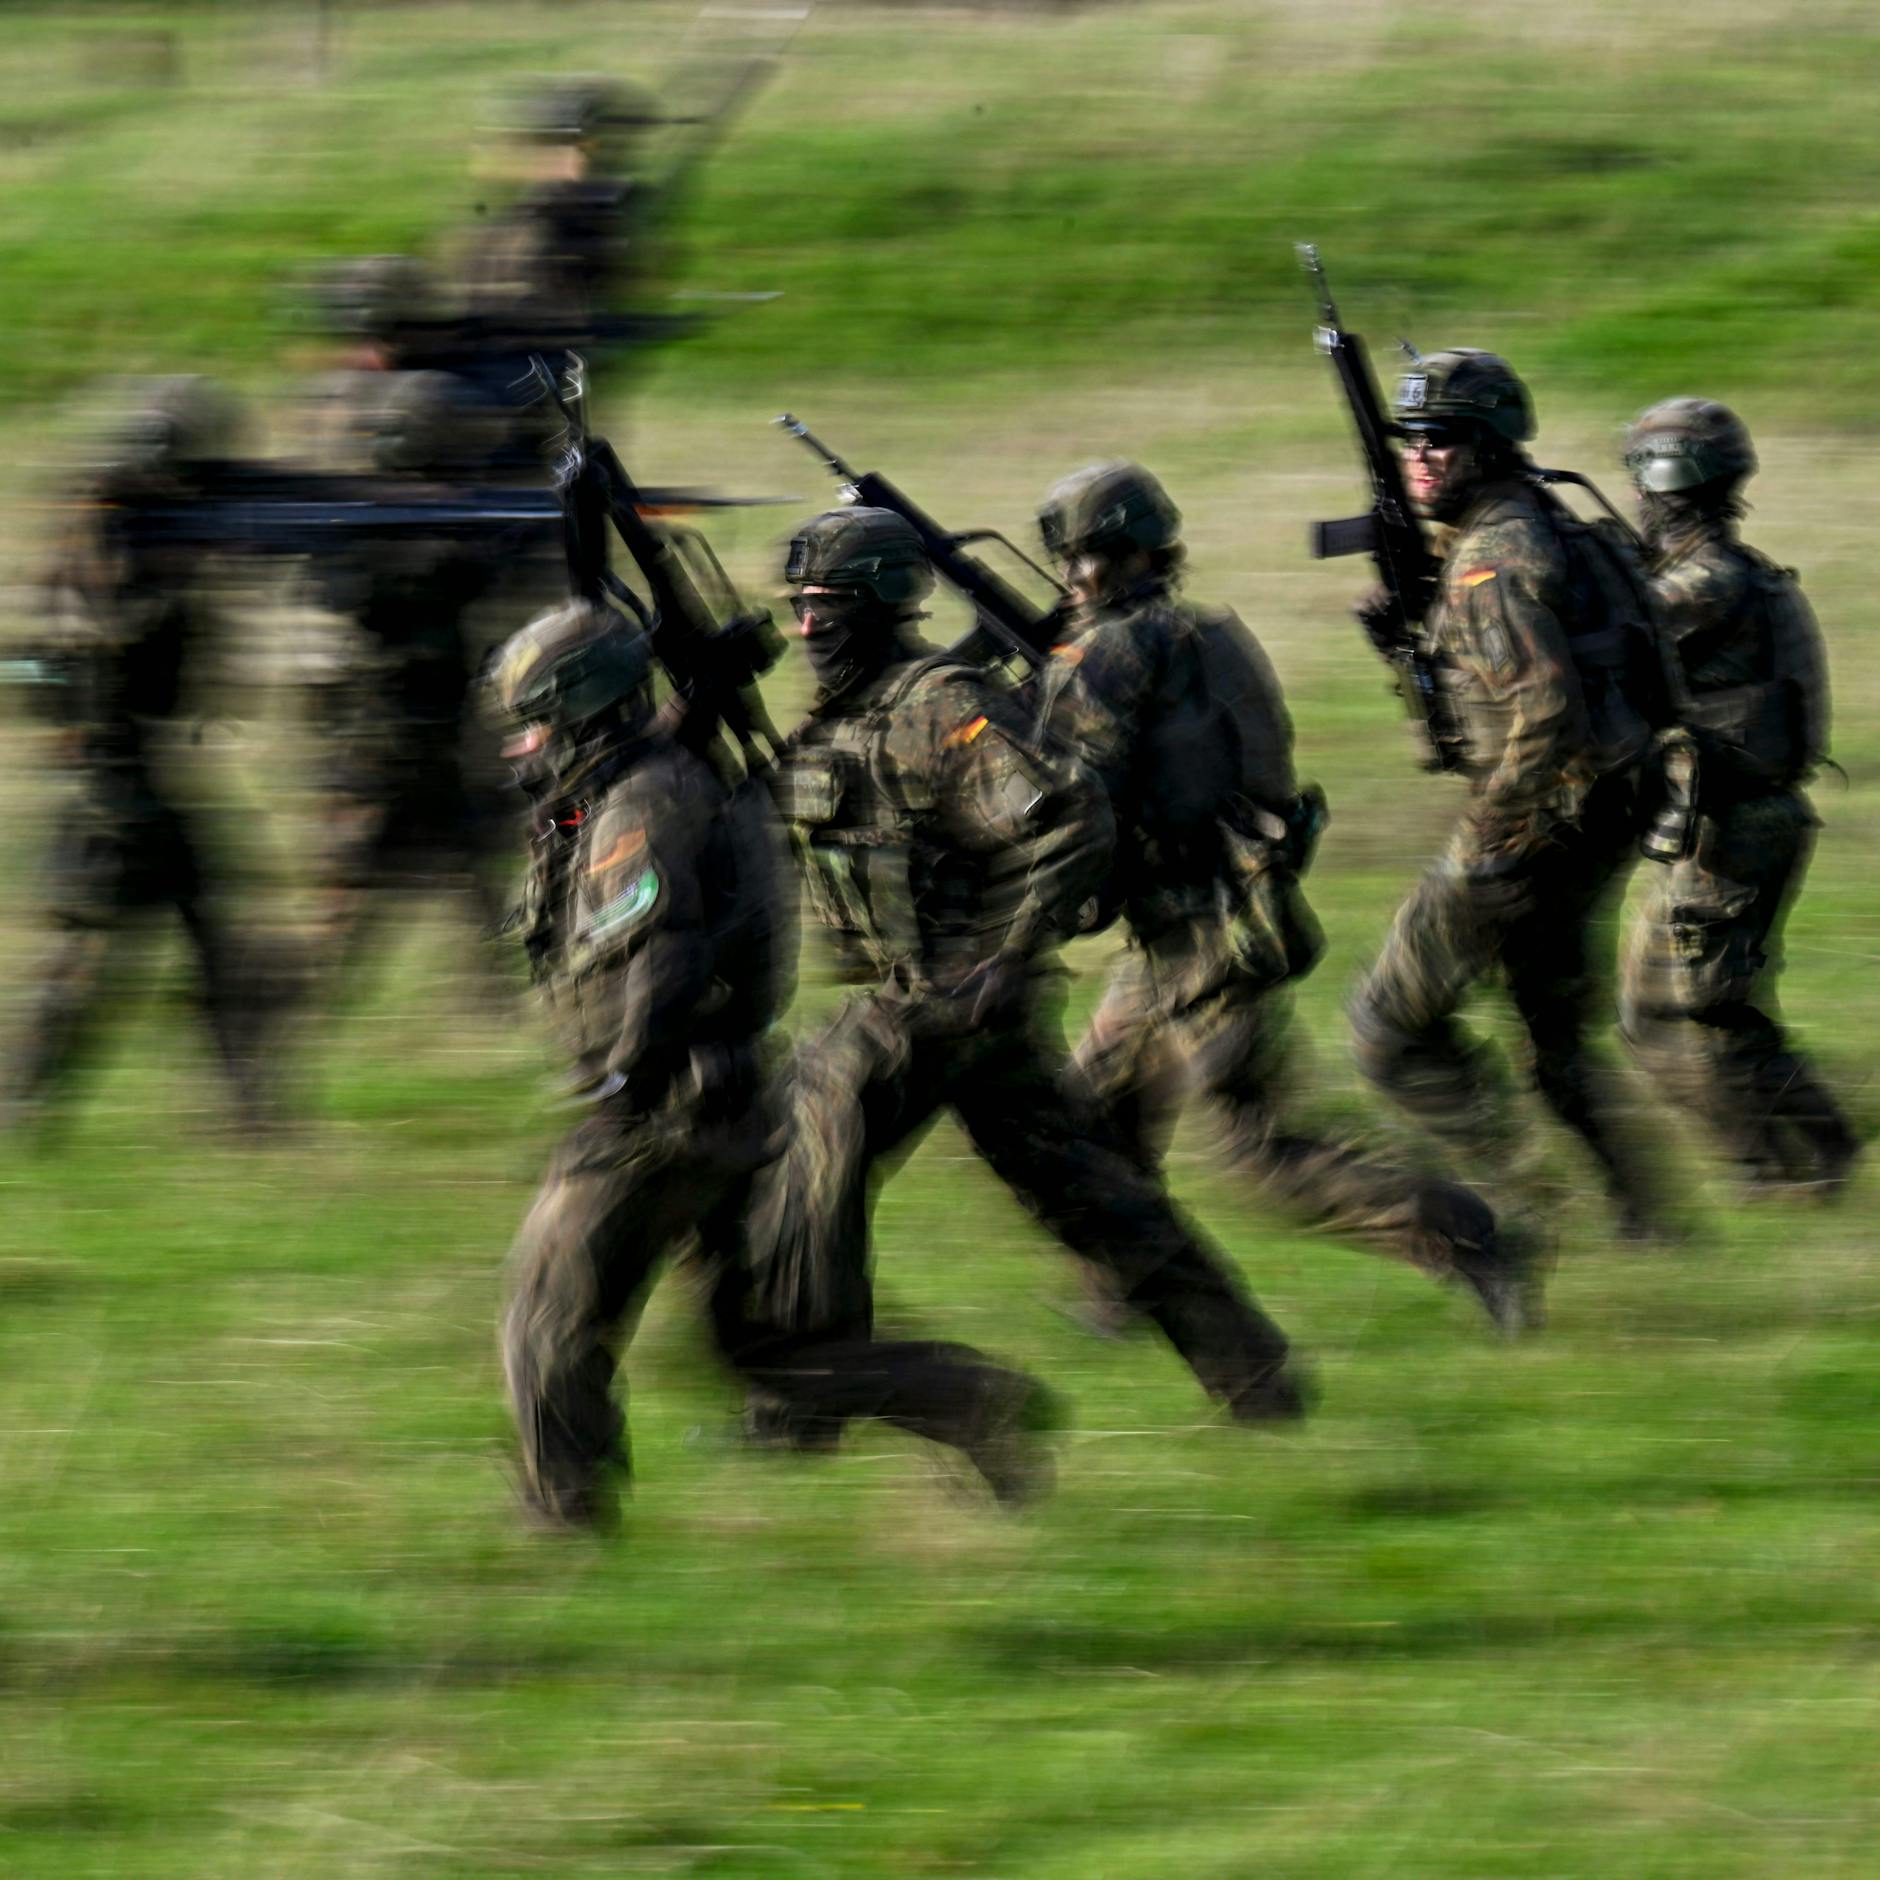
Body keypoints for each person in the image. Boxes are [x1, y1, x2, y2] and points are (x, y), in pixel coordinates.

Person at [490, 599, 1055, 1530]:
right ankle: (963, 1400)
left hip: (667, 1108)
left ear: (589, 716)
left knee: (545, 1318)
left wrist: (625, 1080)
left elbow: (662, 954)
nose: (526, 746)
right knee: (767, 1347)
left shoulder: (643, 804)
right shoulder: (648, 775)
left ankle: (563, 1516)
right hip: (729, 1100)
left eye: (540, 724)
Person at [757, 506, 1308, 1426]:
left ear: (883, 603)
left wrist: (1000, 959)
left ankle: (808, 1401)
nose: (808, 627)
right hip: (963, 1015)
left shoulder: (939, 707)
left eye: (828, 606)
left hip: (939, 1002)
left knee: (806, 1144)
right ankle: (1255, 1375)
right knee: (1092, 1193)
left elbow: (1066, 822)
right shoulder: (851, 711)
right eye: (801, 606)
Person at [1031, 462, 1535, 1330]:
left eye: (1076, 560)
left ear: (1099, 560)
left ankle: (1468, 1233)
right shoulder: (1207, 635)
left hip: (1201, 938)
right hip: (1212, 918)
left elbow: (1073, 793)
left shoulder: (1111, 652)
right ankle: (1125, 1287)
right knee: (1089, 1118)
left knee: (1261, 1151)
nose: (1070, 580)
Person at [1345, 350, 1668, 1236]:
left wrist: (1492, 836)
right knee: (1554, 1043)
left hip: (1534, 827)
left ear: (1488, 448)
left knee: (1387, 1030)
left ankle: (1530, 1206)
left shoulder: (1493, 560)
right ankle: (1646, 1220)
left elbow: (1545, 708)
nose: (1419, 455)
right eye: (1408, 438)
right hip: (1599, 816)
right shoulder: (1545, 523)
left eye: (1441, 439)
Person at [3, 378, 272, 1136]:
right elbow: (104, 637)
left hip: (137, 773)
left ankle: (247, 1107)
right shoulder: (106, 534)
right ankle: (25, 1100)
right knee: (92, 953)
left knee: (206, 939)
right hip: (110, 783)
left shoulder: (124, 525)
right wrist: (190, 568)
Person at [1616, 398, 1859, 1193]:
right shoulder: (1730, 572)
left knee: (1713, 1012)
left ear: (1658, 483)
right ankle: (1770, 1164)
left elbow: (1614, 642)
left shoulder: (1705, 584)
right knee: (1654, 1015)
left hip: (1734, 829)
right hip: (1723, 823)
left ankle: (1816, 1159)